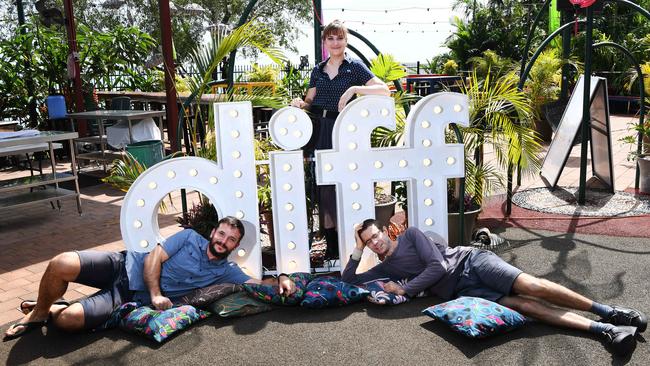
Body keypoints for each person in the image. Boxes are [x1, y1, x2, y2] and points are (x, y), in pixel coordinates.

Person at [342, 219, 647, 355]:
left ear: (385, 231)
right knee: (524, 306)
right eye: (368, 240)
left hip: (471, 262)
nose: (375, 241)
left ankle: (609, 312)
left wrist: (405, 290)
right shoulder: (383, 267)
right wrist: (357, 249)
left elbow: (438, 267)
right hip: (462, 292)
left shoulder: (412, 236)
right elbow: (349, 281)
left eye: (375, 235)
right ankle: (605, 330)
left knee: (533, 286)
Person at [4, 216, 296, 340]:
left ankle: (56, 308)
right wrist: (156, 293)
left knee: (68, 322)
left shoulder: (227, 270)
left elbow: (260, 284)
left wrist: (283, 277)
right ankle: (40, 314)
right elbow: (154, 258)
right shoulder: (188, 237)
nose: (224, 241)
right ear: (213, 233)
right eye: (222, 234)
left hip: (126, 298)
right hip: (123, 265)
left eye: (231, 239)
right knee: (61, 262)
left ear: (235, 246)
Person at [290, 20, 390, 259]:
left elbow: (384, 89)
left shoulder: (355, 67)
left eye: (340, 38)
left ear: (346, 41)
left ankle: (356, 239)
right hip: (321, 129)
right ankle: (333, 247)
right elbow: (309, 101)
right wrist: (298, 104)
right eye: (331, 39)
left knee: (350, 182)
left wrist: (354, 89)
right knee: (325, 188)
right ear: (325, 43)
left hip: (347, 130)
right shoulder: (318, 70)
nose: (335, 43)